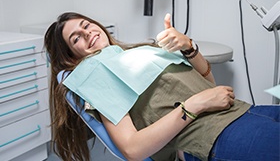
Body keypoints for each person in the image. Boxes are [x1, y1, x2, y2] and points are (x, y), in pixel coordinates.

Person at [44, 12, 279, 161]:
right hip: (214, 137)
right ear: (71, 57)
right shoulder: (94, 73)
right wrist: (192, 106)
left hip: (244, 112)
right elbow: (132, 150)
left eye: (86, 25)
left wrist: (188, 46)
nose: (87, 33)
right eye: (76, 38)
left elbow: (208, 87)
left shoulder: (137, 52)